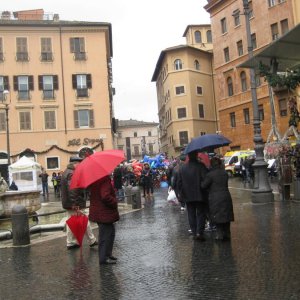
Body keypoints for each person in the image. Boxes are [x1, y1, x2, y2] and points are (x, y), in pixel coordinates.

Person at [61, 156, 98, 250]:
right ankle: (91, 240)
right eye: (80, 163)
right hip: (74, 203)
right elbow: (72, 189)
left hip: (70, 203)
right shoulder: (72, 173)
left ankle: (71, 242)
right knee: (84, 221)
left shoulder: (67, 172)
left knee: (72, 222)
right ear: (75, 163)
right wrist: (75, 204)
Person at [201, 157, 234, 241]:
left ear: (211, 164)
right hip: (226, 195)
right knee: (226, 214)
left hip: (215, 198)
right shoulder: (224, 173)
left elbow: (203, 186)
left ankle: (219, 235)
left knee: (217, 215)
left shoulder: (210, 175)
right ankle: (227, 233)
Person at [177, 151, 208, 241]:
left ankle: (194, 233)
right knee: (200, 214)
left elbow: (179, 183)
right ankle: (199, 232)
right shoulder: (201, 166)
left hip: (187, 195)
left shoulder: (182, 168)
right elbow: (205, 179)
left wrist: (181, 193)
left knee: (191, 214)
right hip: (200, 194)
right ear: (196, 156)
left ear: (188, 157)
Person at [89, 175, 119, 265]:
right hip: (104, 212)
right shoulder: (104, 179)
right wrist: (114, 201)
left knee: (110, 233)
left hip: (100, 211)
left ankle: (108, 254)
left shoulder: (95, 178)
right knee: (105, 236)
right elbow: (105, 196)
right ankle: (104, 258)